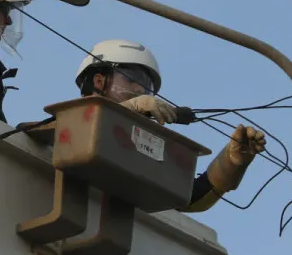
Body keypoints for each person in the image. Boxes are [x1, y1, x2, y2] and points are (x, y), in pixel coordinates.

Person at [74, 39, 266, 213]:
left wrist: (231, 162)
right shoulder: (65, 129)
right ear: (99, 81)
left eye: (146, 85)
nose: (141, 89)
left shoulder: (139, 152)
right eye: (133, 78)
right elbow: (78, 130)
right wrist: (132, 106)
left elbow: (188, 199)